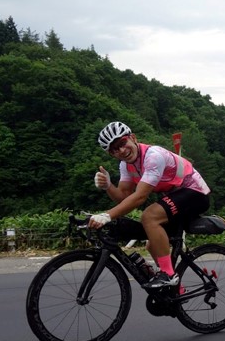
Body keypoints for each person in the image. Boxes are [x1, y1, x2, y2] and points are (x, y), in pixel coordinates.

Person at [89, 121, 211, 288]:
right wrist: (108, 186)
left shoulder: (153, 156)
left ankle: (168, 274)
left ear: (133, 138)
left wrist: (107, 215)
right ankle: (175, 290)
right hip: (176, 196)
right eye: (114, 150)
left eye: (122, 143)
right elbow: (123, 196)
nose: (122, 151)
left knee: (149, 216)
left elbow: (139, 197)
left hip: (196, 193)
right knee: (152, 244)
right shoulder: (126, 165)